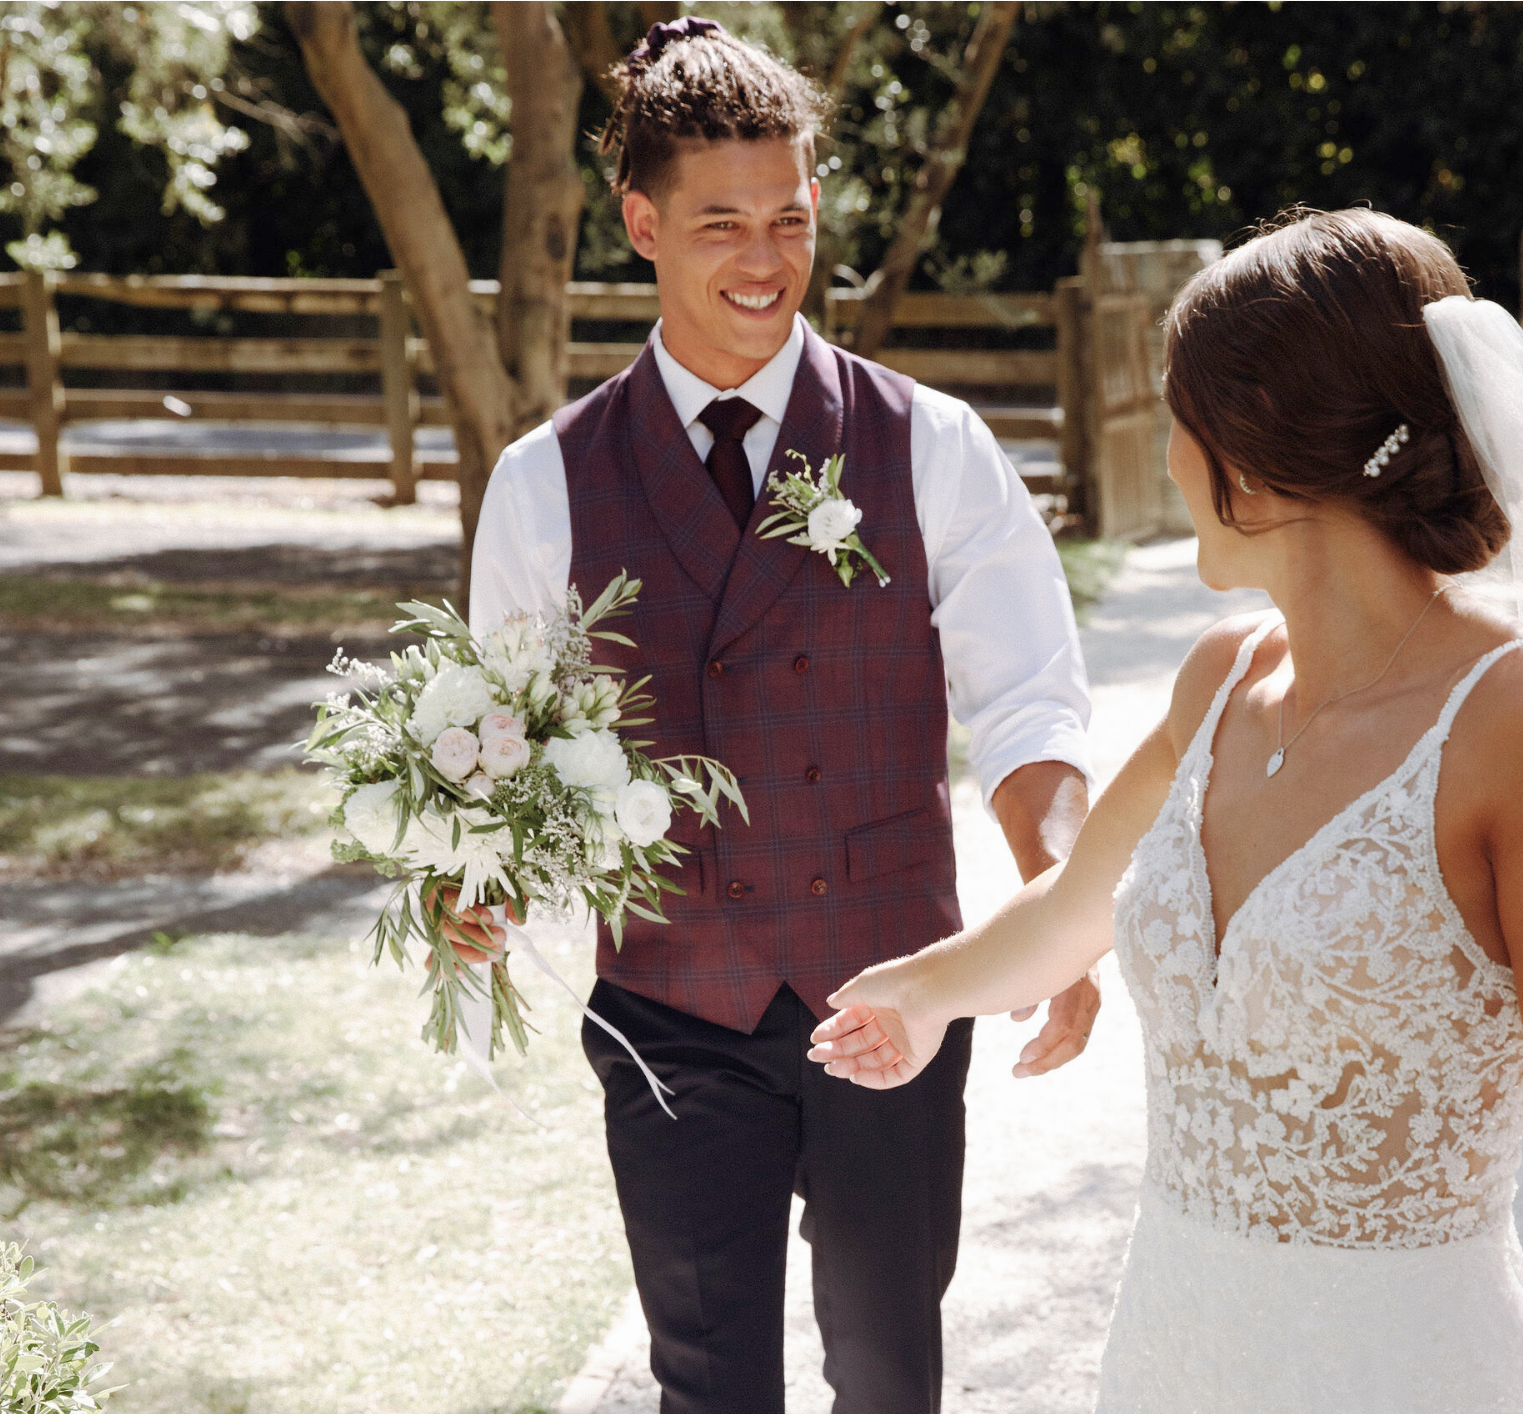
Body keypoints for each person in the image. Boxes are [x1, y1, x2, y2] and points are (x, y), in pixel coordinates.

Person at [813, 207, 1523, 1412]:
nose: (1173, 458)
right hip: (1170, 1358)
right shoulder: (1219, 680)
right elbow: (1071, 908)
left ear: (1244, 458)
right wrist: (921, 992)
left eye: (1179, 420)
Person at [462, 18, 1100, 1414]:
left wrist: (1060, 895)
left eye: (792, 219)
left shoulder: (929, 443)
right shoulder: (543, 480)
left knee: (888, 1373)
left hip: (893, 988)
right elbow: (504, 749)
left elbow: (1027, 700)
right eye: (722, 225)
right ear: (639, 221)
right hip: (669, 1005)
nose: (765, 260)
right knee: (708, 1383)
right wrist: (480, 884)